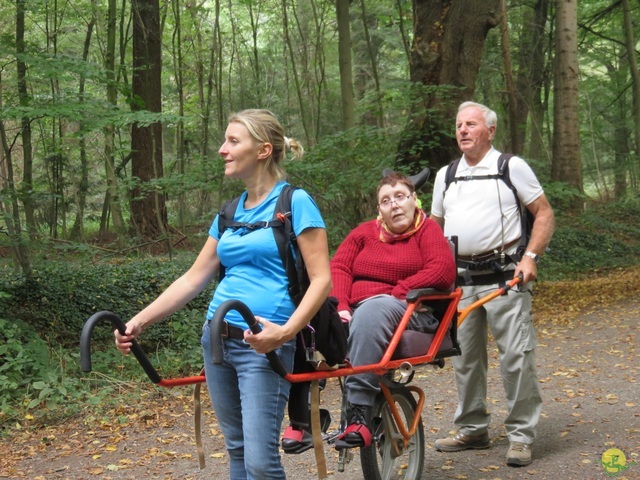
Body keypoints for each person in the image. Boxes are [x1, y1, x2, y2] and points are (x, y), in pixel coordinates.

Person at [114, 109, 332, 479]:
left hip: (264, 342)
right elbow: (193, 278)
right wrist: (139, 321)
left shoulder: (294, 203)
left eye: (233, 141)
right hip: (216, 341)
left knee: (261, 463)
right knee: (237, 451)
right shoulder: (230, 211)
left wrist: (286, 332)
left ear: (263, 150)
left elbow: (322, 280)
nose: (222, 149)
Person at [430, 101, 555, 467]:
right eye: (458, 125)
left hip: (506, 276)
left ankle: (520, 435)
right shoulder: (445, 175)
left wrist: (530, 256)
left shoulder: (510, 167)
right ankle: (472, 429)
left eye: (471, 124)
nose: (463, 131)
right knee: (465, 358)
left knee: (516, 356)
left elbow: (544, 213)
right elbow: (435, 229)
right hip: (460, 280)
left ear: (491, 130)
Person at [328, 172, 456, 450]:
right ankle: (302, 421)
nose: (394, 204)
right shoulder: (363, 233)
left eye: (400, 196)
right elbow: (338, 267)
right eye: (386, 200)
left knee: (374, 309)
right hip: (360, 309)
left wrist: (402, 290)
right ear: (379, 210)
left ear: (413, 199)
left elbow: (442, 270)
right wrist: (341, 307)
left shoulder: (428, 230)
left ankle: (358, 413)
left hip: (410, 309)